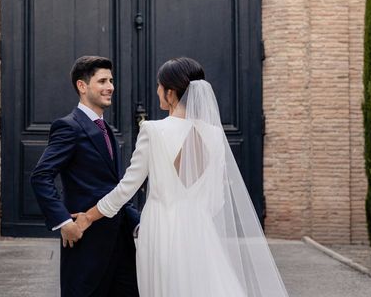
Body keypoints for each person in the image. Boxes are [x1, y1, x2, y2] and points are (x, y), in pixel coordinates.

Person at [73, 57, 290, 297]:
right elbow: (217, 201)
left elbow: (126, 189)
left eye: (159, 86)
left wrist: (88, 217)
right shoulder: (215, 135)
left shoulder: (153, 131)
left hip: (161, 229)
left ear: (171, 92)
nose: (157, 91)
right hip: (200, 229)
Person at [30, 56, 140, 297]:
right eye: (102, 81)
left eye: (111, 80)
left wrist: (137, 221)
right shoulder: (68, 126)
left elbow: (116, 185)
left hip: (120, 241)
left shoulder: (106, 129)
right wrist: (63, 222)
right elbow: (41, 176)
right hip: (86, 241)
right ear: (82, 86)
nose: (110, 86)